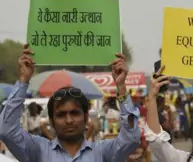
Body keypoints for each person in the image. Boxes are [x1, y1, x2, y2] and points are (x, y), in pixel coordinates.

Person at [0, 44, 141, 161]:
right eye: (61, 115)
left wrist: (121, 87)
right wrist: (24, 80)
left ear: (86, 117)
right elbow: (6, 130)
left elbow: (131, 138)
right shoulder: (38, 150)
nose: (69, 120)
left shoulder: (102, 152)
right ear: (52, 121)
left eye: (75, 113)